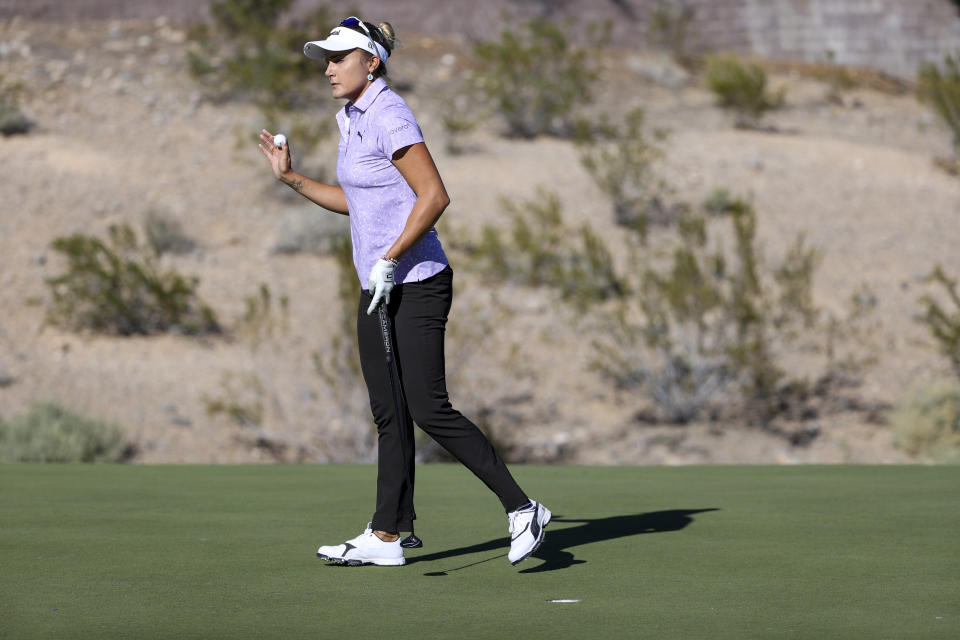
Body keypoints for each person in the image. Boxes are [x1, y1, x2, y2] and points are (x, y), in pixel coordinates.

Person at [257, 16, 550, 567]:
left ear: (371, 62)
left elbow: (434, 195)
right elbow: (358, 201)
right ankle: (388, 536)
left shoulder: (389, 114)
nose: (328, 68)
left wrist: (391, 257)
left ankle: (523, 508)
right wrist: (292, 179)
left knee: (427, 407)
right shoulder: (351, 117)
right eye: (326, 57)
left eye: (339, 57)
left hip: (416, 283)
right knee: (389, 412)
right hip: (378, 285)